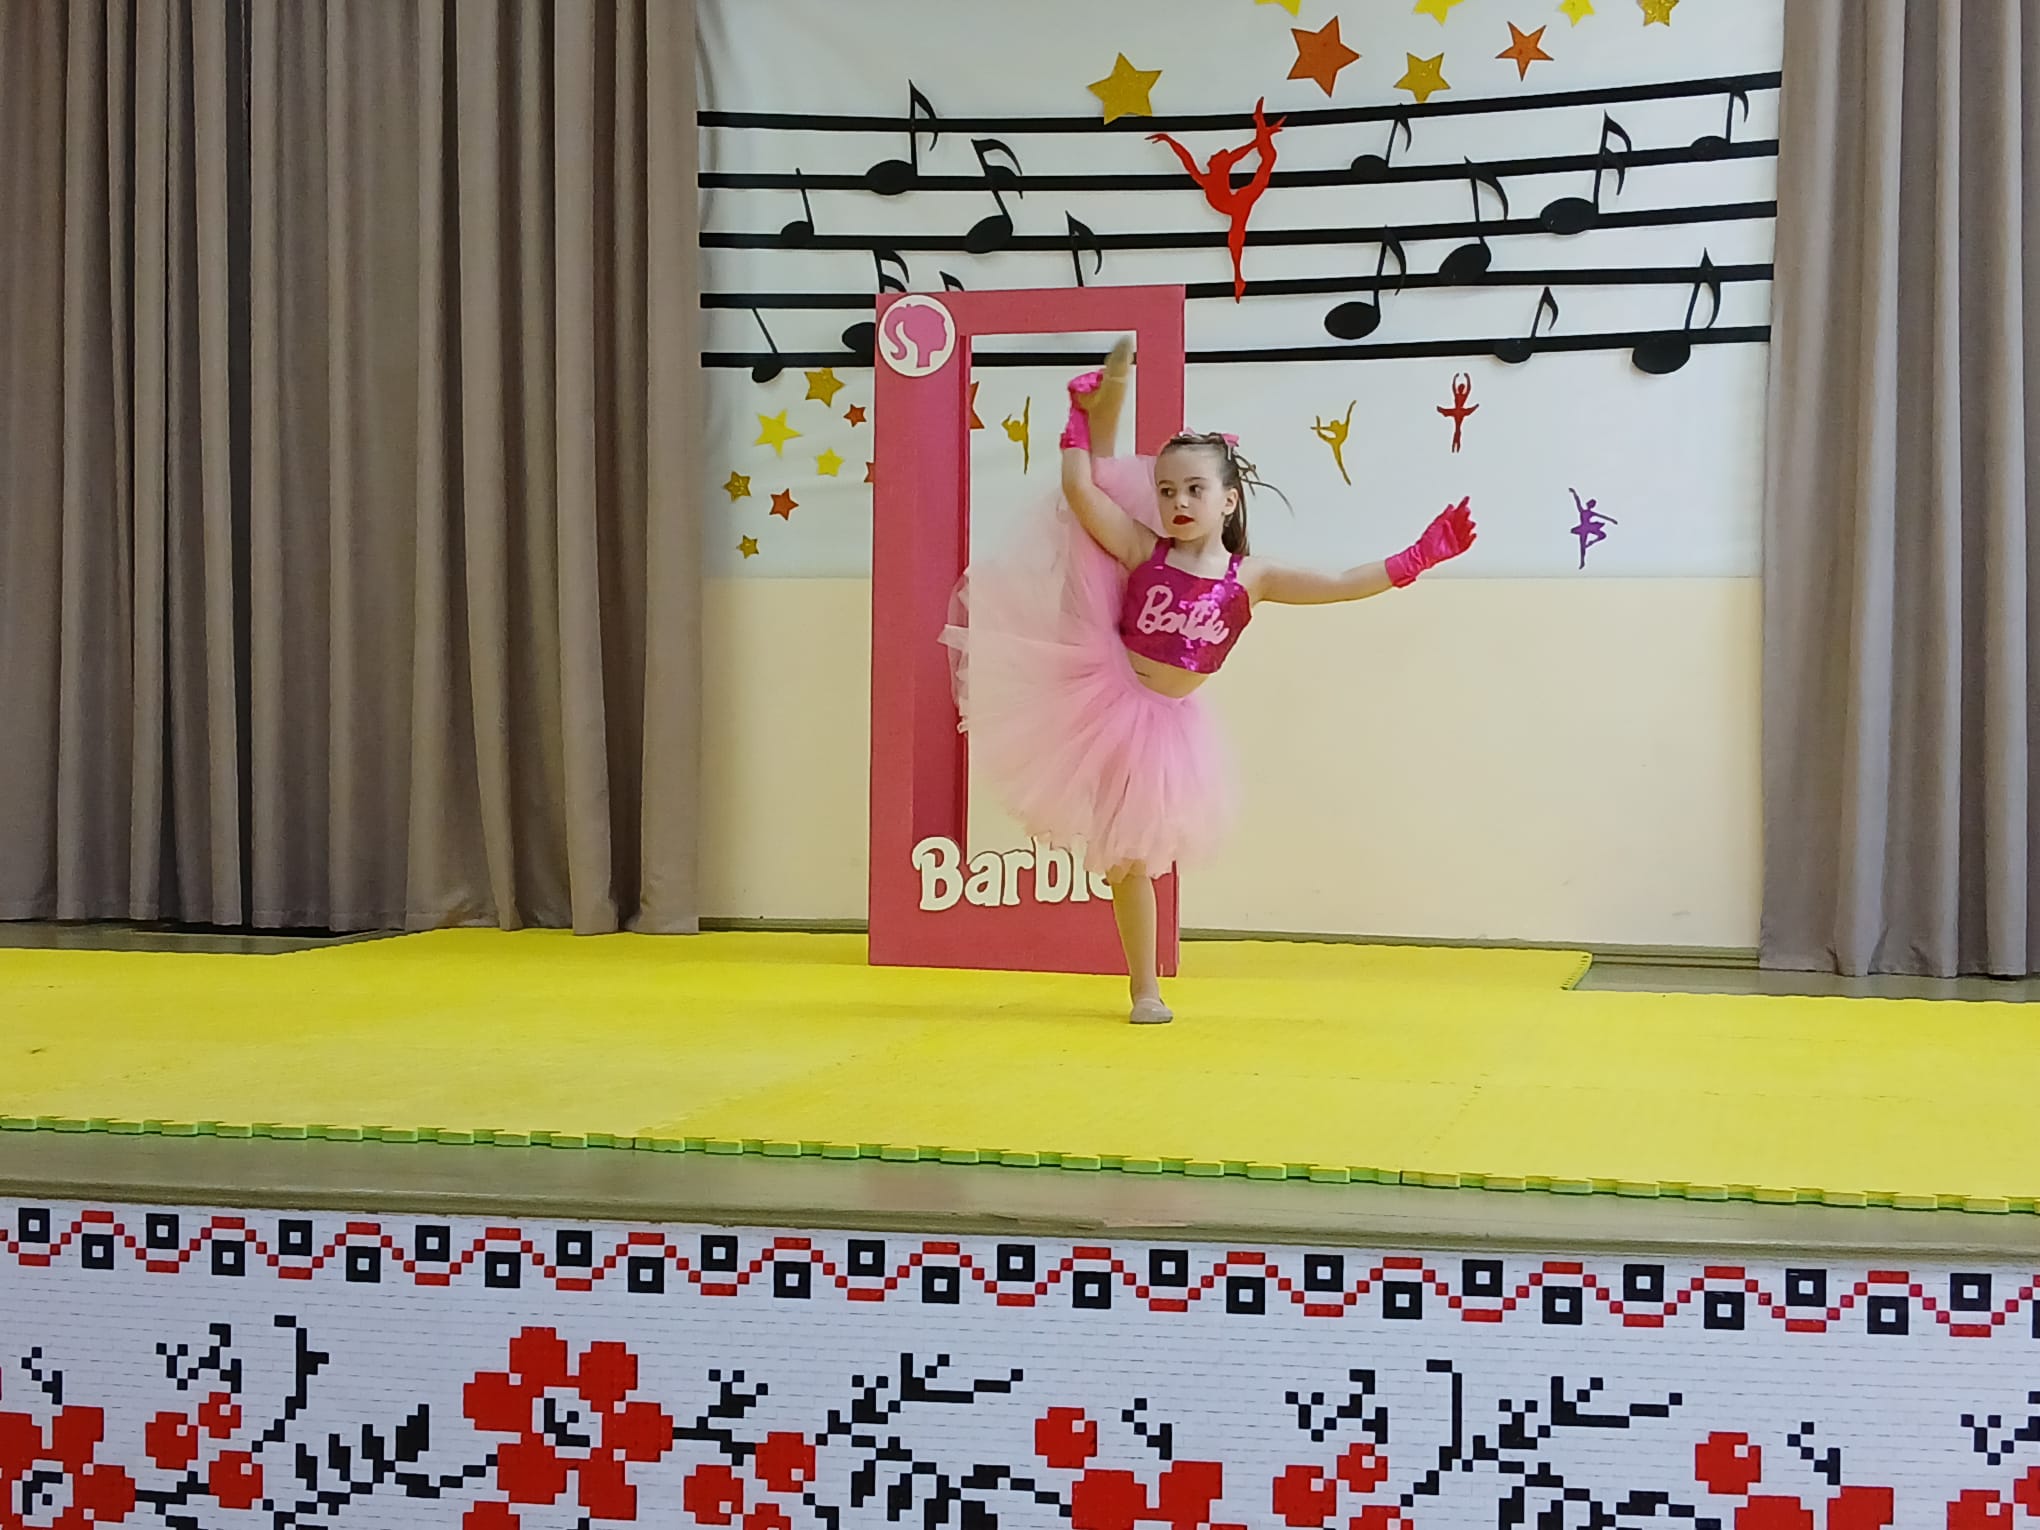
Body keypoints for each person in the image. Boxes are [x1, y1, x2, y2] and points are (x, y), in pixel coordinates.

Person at [942, 340, 1476, 1024]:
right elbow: (1081, 492)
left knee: (1139, 854)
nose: (1178, 501)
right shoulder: (1143, 549)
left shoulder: (1254, 577)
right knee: (1126, 861)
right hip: (1105, 701)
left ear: (1229, 499)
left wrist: (1414, 558)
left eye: (1195, 489)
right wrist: (1076, 421)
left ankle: (1145, 985)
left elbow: (1342, 583)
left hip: (1168, 727)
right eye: (1166, 490)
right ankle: (1144, 989)